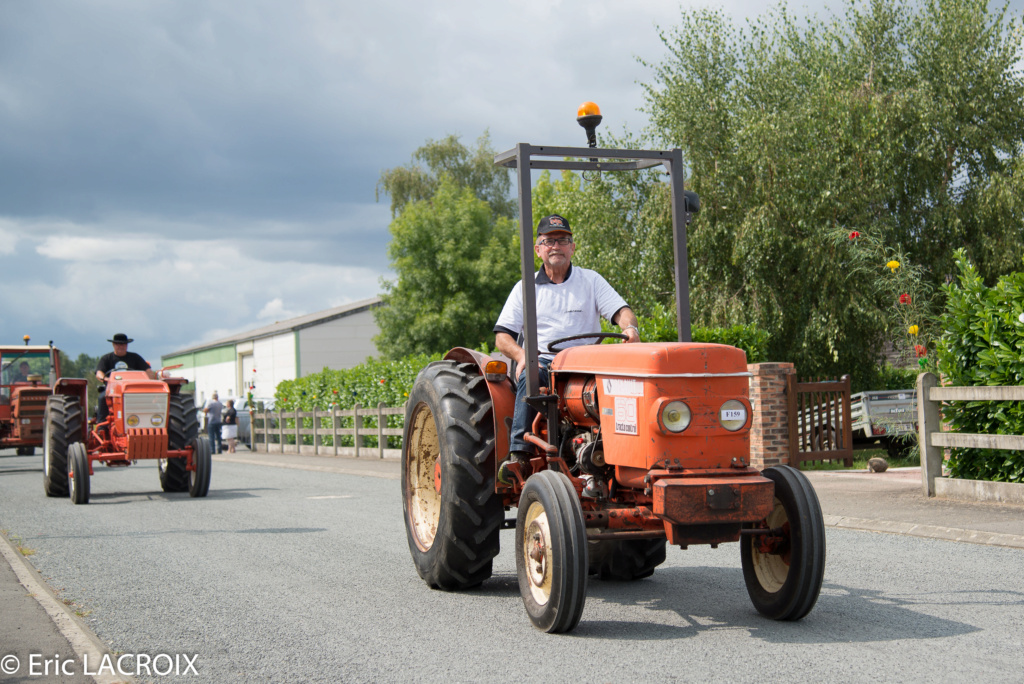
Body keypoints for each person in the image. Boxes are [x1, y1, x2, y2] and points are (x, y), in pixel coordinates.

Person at [493, 214, 640, 485]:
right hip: (546, 363)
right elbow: (502, 337)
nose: (556, 246)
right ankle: (520, 453)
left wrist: (630, 329)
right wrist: (522, 355)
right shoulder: (525, 288)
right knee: (532, 373)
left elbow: (622, 311)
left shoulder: (591, 281)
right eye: (549, 241)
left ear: (572, 247)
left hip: (587, 364)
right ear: (538, 249)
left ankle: (630, 453)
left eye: (562, 240)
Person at [95, 333, 155, 424]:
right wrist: (106, 379)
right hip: (112, 389)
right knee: (102, 397)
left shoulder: (135, 357)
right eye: (118, 344)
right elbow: (99, 372)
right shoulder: (107, 358)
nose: (121, 346)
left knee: (149, 396)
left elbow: (148, 371)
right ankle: (102, 425)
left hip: (133, 389)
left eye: (123, 344)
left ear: (127, 345)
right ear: (113, 345)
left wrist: (148, 379)